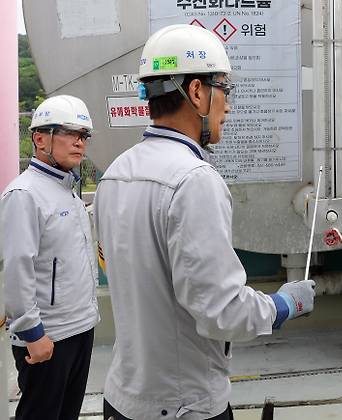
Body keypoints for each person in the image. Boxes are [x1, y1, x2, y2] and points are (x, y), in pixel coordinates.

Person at [94, 24, 316, 420]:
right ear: (196, 92)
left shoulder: (115, 173)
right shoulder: (193, 181)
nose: (227, 106)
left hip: (124, 396)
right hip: (183, 403)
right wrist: (283, 305)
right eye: (224, 90)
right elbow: (222, 311)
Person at [0, 95, 99, 420]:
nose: (79, 142)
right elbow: (17, 268)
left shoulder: (65, 189)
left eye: (83, 135)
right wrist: (32, 333)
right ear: (40, 138)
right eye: (70, 133)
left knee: (67, 414)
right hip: (47, 337)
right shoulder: (24, 195)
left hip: (80, 328)